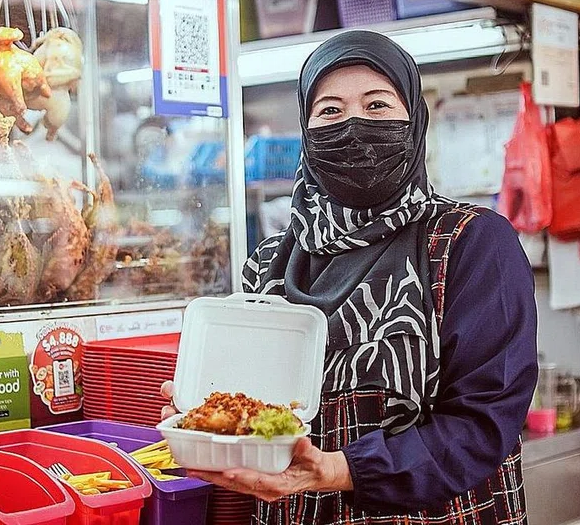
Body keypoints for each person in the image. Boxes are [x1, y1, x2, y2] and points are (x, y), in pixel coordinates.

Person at [161, 31, 538, 524]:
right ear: (306, 129)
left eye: (378, 105)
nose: (354, 125)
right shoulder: (272, 262)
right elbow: (258, 417)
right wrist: (205, 413)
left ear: (415, 120)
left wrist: (340, 469)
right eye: (330, 111)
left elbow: (485, 423)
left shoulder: (470, 244)